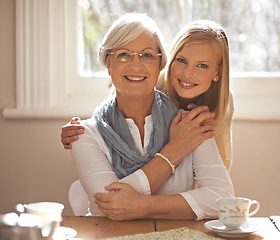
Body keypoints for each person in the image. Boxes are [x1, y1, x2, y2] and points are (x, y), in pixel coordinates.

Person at [70, 12, 234, 220]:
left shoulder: (192, 123)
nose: (135, 65)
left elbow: (222, 197)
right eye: (123, 54)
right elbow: (107, 206)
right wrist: (175, 151)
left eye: (146, 55)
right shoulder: (84, 134)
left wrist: (144, 205)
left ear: (159, 65)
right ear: (107, 65)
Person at [62, 19, 234, 170]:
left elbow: (219, 165)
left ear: (217, 72)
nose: (187, 74)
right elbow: (111, 120)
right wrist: (82, 133)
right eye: (181, 60)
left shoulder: (221, 101)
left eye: (202, 65)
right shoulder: (148, 82)